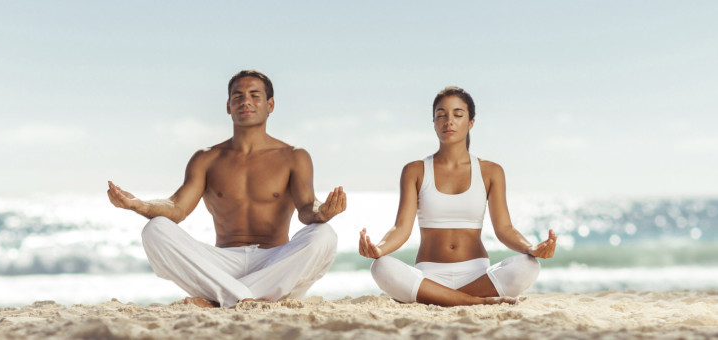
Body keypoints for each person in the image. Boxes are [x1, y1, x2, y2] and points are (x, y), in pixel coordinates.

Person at [107, 70, 346, 308]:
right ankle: (247, 297)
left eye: (255, 95)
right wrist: (141, 205)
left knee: (325, 236)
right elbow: (177, 208)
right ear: (228, 106)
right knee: (155, 229)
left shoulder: (294, 157)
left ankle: (224, 298)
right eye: (238, 96)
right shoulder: (206, 159)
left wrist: (322, 211)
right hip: (221, 264)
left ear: (270, 105)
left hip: (274, 261)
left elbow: (307, 207)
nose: (246, 102)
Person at [358, 86, 556, 306]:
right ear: (434, 123)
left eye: (458, 115)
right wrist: (379, 248)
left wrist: (531, 248)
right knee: (380, 266)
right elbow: (401, 228)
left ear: (471, 122)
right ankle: (474, 302)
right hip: (428, 275)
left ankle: (441, 298)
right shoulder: (415, 170)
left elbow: (505, 229)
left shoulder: (491, 171)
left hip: (477, 276)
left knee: (529, 265)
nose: (448, 121)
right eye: (441, 115)